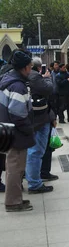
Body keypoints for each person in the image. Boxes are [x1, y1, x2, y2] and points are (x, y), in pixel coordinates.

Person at [0, 51, 35, 211]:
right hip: (16, 132)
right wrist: (29, 128)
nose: (31, 69)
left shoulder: (8, 79)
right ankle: (13, 202)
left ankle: (15, 198)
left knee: (13, 165)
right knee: (15, 167)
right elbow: (18, 114)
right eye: (30, 66)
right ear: (25, 67)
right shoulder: (17, 85)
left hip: (7, 129)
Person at [25, 56, 55, 194]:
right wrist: (47, 78)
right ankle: (34, 183)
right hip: (38, 118)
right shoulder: (35, 76)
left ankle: (32, 179)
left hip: (33, 117)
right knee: (35, 151)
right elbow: (49, 90)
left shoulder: (19, 77)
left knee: (32, 151)